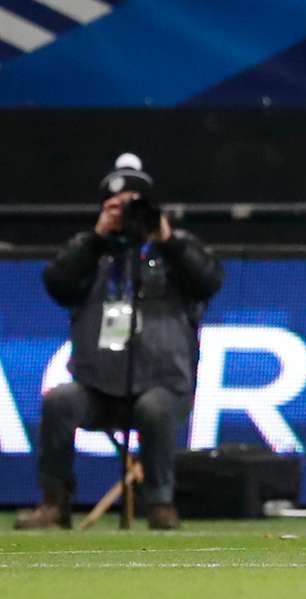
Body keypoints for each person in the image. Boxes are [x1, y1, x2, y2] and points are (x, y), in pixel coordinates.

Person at [14, 154, 224, 530]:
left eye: (133, 206)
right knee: (60, 401)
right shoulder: (92, 253)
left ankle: (159, 503)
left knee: (156, 408)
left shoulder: (174, 250)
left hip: (162, 385)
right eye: (115, 205)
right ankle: (54, 502)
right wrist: (97, 237)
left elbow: (209, 281)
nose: (126, 214)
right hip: (98, 388)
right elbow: (57, 283)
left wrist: (167, 239)